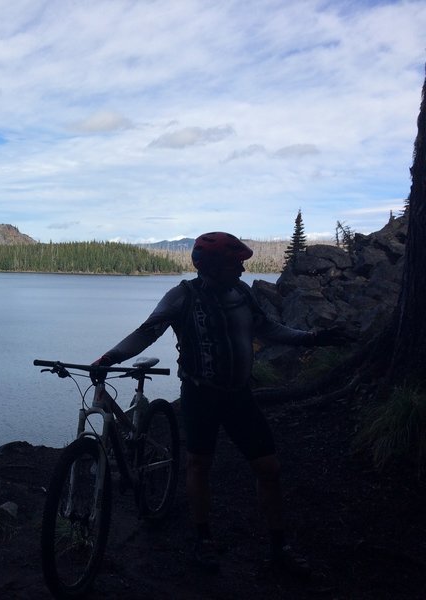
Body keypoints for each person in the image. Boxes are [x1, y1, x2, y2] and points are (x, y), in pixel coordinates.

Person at [92, 232, 346, 576]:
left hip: (239, 395)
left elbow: (268, 328)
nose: (242, 269)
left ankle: (278, 547)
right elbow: (147, 331)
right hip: (201, 394)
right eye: (235, 263)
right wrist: (111, 356)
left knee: (268, 468)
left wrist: (314, 338)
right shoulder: (182, 296)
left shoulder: (241, 294)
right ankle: (203, 539)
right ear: (212, 267)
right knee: (199, 465)